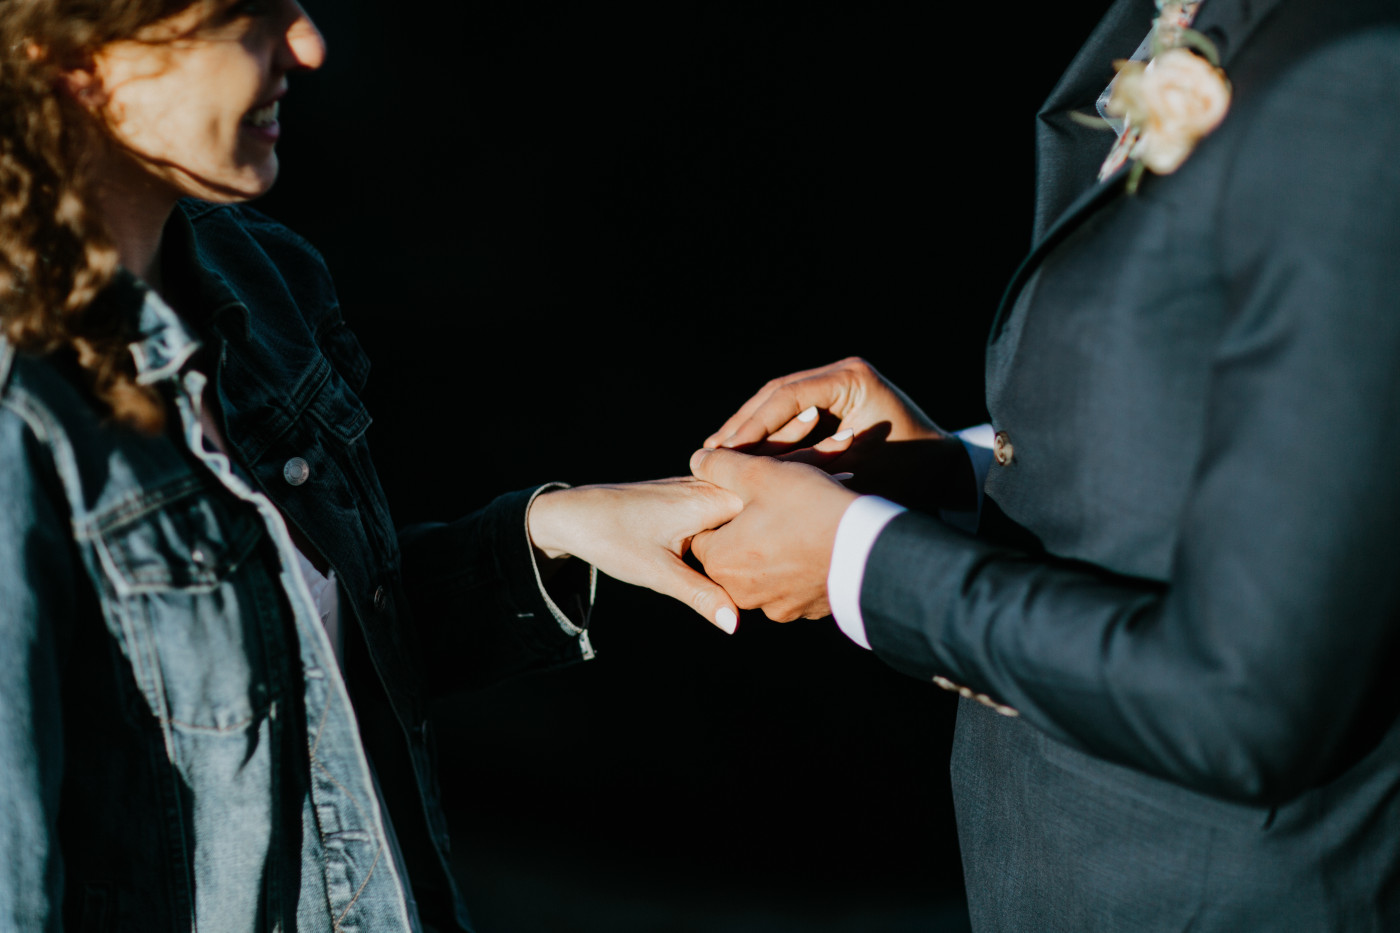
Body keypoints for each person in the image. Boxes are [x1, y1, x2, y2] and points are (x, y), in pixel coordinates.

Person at [0, 1, 743, 930]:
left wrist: (545, 535)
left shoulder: (266, 283)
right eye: (242, 14)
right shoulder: (19, 404)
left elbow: (303, 668)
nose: (305, 46)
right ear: (67, 60)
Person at [689, 0, 1400, 929]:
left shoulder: (1360, 78)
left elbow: (1244, 697)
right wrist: (958, 477)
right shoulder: (1179, 21)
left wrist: (861, 560)